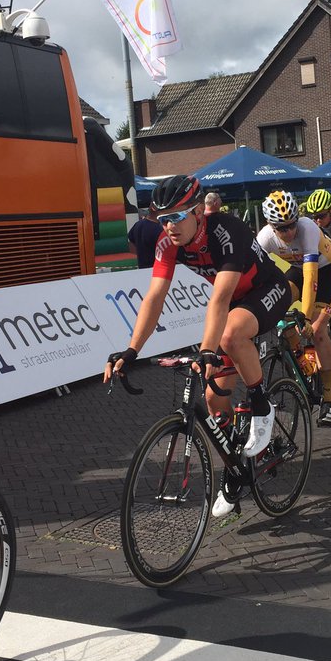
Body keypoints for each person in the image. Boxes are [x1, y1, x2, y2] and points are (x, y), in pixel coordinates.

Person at [102, 175, 291, 517]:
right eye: (162, 219)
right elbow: (154, 298)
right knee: (213, 401)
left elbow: (219, 300)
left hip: (267, 291)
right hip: (235, 304)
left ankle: (262, 404)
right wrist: (131, 350)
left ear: (198, 213)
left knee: (230, 335)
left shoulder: (227, 231)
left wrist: (207, 350)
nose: (169, 226)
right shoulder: (167, 244)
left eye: (176, 217)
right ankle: (236, 469)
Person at [258, 191, 331, 425]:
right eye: (281, 228)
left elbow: (311, 278)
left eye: (291, 226)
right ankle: (306, 364)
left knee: (316, 330)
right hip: (297, 269)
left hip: (326, 270)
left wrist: (306, 317)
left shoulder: (307, 228)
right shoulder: (264, 237)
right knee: (280, 314)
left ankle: (330, 396)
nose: (288, 233)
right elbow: (254, 274)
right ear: (270, 226)